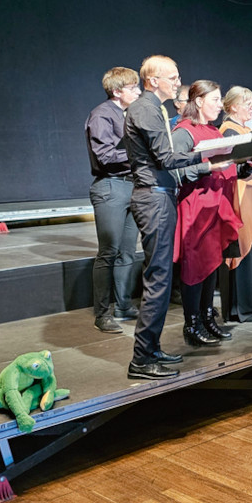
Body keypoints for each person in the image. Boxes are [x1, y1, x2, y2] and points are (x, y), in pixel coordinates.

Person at [124, 55, 220, 379]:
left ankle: (150, 348)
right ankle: (141, 359)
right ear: (153, 80)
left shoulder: (154, 108)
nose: (178, 82)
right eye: (173, 77)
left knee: (162, 280)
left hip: (158, 195)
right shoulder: (146, 108)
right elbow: (165, 158)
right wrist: (206, 159)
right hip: (153, 197)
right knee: (158, 279)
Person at [170, 80, 239, 347]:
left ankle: (208, 318)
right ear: (198, 101)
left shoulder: (213, 131)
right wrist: (207, 168)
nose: (220, 105)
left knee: (211, 264)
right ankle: (192, 324)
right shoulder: (184, 132)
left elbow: (226, 167)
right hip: (195, 206)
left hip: (216, 204)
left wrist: (249, 164)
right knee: (195, 265)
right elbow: (176, 171)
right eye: (215, 100)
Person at [86, 67, 142, 333]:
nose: (138, 92)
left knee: (127, 251)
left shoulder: (127, 114)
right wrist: (139, 153)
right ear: (117, 91)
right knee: (108, 252)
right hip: (111, 187)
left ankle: (123, 305)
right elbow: (105, 156)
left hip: (131, 186)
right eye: (133, 88)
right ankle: (102, 314)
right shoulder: (102, 115)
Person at [219, 86, 252, 323]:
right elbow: (234, 167)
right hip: (239, 198)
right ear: (233, 107)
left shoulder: (245, 130)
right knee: (240, 249)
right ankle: (238, 309)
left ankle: (251, 304)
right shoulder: (229, 131)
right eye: (248, 104)